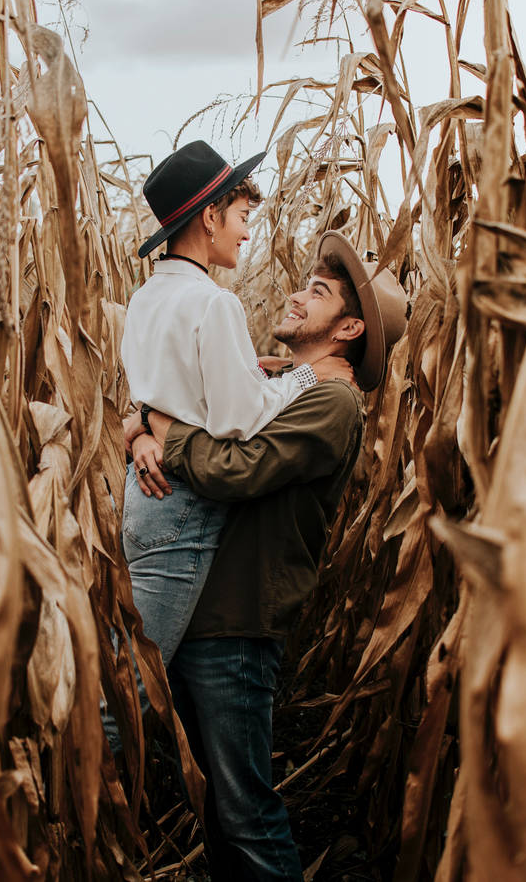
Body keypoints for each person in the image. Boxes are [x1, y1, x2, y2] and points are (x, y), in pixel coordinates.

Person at [133, 231, 408, 881]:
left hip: (237, 626)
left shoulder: (332, 403)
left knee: (248, 813)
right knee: (222, 813)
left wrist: (164, 435)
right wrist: (140, 422)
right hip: (203, 618)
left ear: (346, 327)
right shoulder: (285, 385)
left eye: (316, 292)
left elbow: (236, 470)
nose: (294, 293)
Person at [120, 140, 352, 672]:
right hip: (182, 499)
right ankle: (90, 759)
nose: (247, 232)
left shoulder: (144, 298)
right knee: (141, 678)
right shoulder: (214, 302)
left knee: (141, 665)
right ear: (208, 217)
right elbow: (238, 420)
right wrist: (306, 377)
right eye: (242, 217)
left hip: (142, 490)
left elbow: (158, 394)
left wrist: (142, 429)